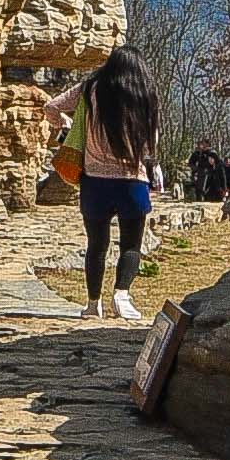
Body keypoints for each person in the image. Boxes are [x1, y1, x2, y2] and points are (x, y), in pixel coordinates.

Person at [71, 52, 164, 319]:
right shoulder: (145, 92)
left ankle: (92, 303)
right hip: (131, 180)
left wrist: (67, 129)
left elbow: (52, 107)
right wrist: (151, 163)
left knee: (96, 245)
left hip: (94, 181)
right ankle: (121, 295)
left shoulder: (91, 88)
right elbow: (151, 139)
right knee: (131, 245)